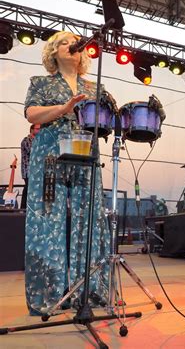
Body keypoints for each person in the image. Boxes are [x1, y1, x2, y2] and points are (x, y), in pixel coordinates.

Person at [23, 31, 111, 315]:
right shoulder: (41, 83)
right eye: (63, 42)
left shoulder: (94, 86)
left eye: (75, 42)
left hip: (86, 155)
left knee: (89, 219)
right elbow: (32, 114)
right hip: (50, 155)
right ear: (53, 52)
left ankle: (88, 289)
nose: (71, 45)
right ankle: (48, 292)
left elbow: (110, 118)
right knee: (48, 222)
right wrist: (64, 108)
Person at [20, 124, 41, 209]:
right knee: (28, 188)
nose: (39, 131)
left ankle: (27, 208)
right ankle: (23, 208)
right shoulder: (26, 140)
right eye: (37, 129)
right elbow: (33, 151)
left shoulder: (37, 140)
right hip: (28, 170)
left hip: (34, 170)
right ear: (32, 130)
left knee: (30, 189)